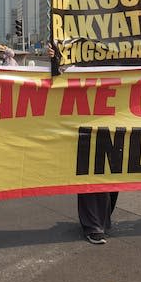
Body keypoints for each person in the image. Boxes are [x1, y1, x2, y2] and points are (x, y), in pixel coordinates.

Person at [47, 43, 117, 244]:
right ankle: (93, 225)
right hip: (85, 126)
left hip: (114, 124)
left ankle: (102, 219)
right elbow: (57, 82)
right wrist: (54, 59)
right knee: (90, 174)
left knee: (113, 176)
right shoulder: (75, 63)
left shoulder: (119, 58)